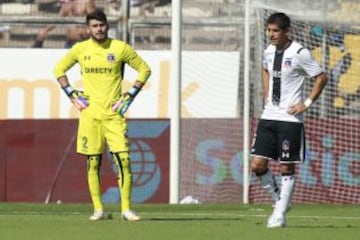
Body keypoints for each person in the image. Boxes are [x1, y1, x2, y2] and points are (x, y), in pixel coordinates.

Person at [53, 10, 151, 221]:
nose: (99, 29)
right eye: (95, 26)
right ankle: (98, 209)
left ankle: (126, 209)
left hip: (114, 116)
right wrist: (71, 93)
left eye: (102, 25)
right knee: (93, 163)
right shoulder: (80, 50)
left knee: (124, 160)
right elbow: (59, 69)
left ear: (107, 26)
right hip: (90, 116)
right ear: (88, 29)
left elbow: (144, 70)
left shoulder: (119, 48)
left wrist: (130, 95)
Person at [250, 12, 327, 228]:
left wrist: (307, 103)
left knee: (286, 167)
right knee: (257, 165)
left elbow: (321, 77)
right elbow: (265, 69)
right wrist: (266, 93)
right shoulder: (268, 51)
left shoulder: (300, 53)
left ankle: (279, 215)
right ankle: (279, 201)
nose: (271, 34)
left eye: (275, 31)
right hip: (268, 115)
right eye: (269, 30)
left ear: (286, 31)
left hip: (289, 119)